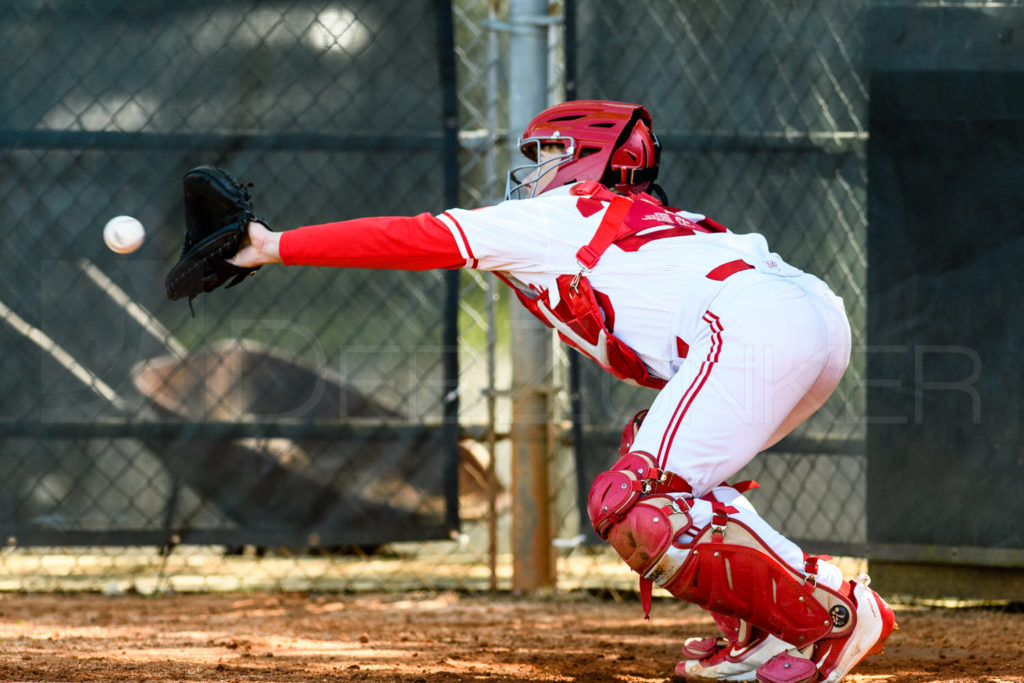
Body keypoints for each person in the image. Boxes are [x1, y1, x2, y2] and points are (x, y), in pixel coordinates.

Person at [228, 99, 895, 683]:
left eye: (550, 152)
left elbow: (414, 236)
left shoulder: (560, 214)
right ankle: (766, 630)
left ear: (593, 156)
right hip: (811, 316)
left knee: (635, 502)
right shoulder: (658, 217)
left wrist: (269, 244)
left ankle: (834, 612)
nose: (535, 169)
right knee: (675, 483)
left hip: (755, 321)